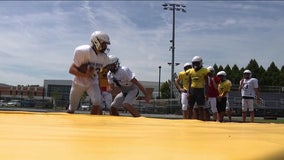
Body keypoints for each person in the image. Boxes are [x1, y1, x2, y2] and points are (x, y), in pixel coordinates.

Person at [67, 31, 110, 114]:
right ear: (96, 41)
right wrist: (85, 74)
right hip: (78, 82)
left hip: (92, 82)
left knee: (97, 101)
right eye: (104, 43)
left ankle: (92, 122)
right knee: (72, 108)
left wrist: (103, 90)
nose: (106, 46)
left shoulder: (104, 58)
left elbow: (103, 75)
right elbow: (71, 69)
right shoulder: (83, 51)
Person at [187, 56, 209, 120]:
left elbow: (206, 83)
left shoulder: (204, 70)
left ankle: (201, 121)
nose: (195, 65)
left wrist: (206, 94)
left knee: (200, 107)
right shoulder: (190, 71)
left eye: (197, 63)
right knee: (190, 107)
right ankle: (188, 120)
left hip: (200, 90)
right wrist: (188, 92)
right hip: (192, 90)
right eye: (194, 63)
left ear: (200, 63)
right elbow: (189, 83)